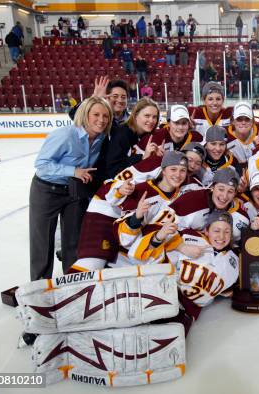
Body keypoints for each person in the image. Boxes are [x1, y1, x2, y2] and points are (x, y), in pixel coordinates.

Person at [29, 97, 113, 280]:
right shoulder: (66, 135)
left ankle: (71, 283)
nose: (101, 119)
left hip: (74, 192)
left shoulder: (101, 138)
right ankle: (40, 287)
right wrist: (73, 170)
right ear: (85, 115)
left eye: (106, 116)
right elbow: (42, 164)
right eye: (96, 115)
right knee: (42, 242)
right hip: (46, 190)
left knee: (74, 241)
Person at [106, 97, 160, 179]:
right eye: (147, 116)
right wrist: (142, 157)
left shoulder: (150, 135)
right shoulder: (121, 134)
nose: (151, 120)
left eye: (154, 117)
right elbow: (114, 169)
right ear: (135, 116)